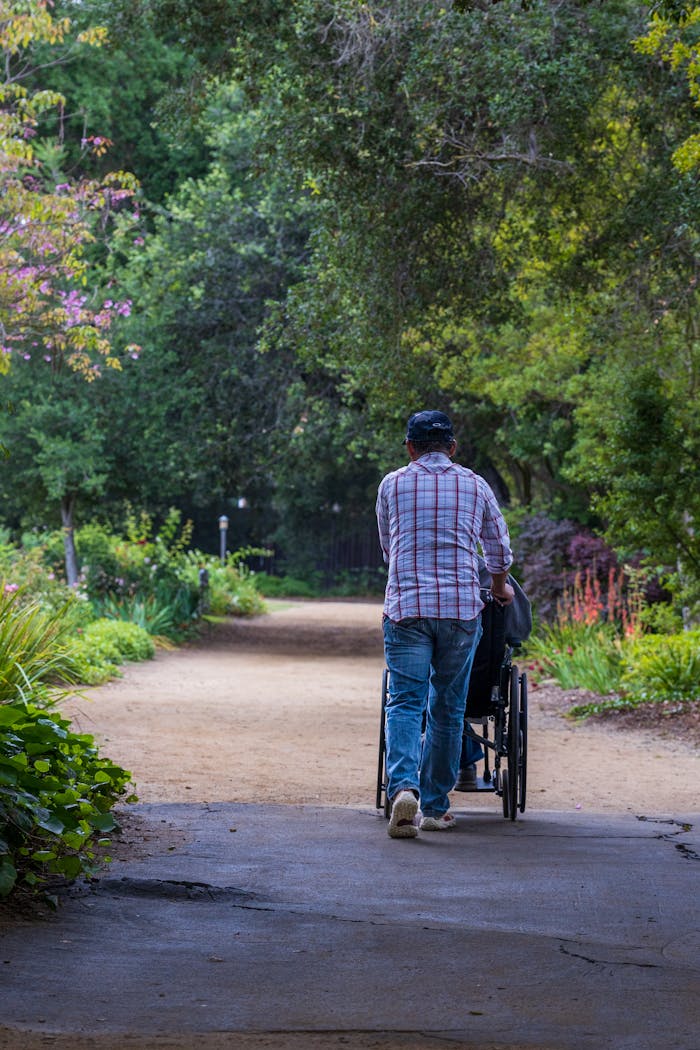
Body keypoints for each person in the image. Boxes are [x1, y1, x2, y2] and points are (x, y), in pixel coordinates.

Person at [376, 410, 514, 839]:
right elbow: (498, 549)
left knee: (404, 703)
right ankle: (435, 807)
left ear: (410, 447)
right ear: (452, 448)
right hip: (459, 612)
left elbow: (387, 545)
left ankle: (403, 789)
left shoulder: (392, 484)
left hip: (407, 609)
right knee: (448, 708)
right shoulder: (475, 484)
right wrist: (499, 586)